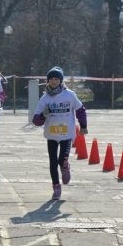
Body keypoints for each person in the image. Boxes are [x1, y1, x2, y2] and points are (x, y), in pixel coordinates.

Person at [32, 66, 88, 200]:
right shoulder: (44, 98)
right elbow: (36, 120)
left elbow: (81, 110)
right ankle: (56, 186)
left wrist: (83, 126)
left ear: (61, 81)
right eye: (51, 79)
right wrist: (43, 115)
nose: (53, 81)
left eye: (56, 79)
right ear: (47, 81)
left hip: (67, 134)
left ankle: (65, 166)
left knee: (61, 159)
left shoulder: (69, 95)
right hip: (51, 135)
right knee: (52, 162)